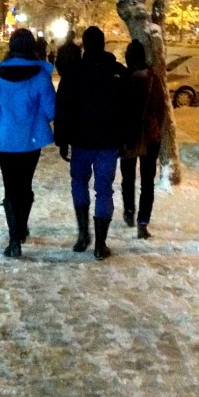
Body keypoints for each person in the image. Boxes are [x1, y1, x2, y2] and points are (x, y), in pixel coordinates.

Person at [0, 28, 56, 258]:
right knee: (25, 184)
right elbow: (51, 110)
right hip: (31, 140)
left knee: (10, 186)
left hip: (4, 141)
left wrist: (3, 122)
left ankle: (14, 238)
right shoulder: (40, 76)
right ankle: (21, 228)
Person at [54, 25, 129, 260]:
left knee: (79, 183)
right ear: (104, 43)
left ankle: (83, 234)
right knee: (104, 189)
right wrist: (125, 140)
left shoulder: (73, 73)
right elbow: (129, 110)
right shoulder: (118, 72)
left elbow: (63, 109)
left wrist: (62, 140)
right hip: (108, 143)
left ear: (84, 45)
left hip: (81, 142)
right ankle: (100, 244)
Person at [119, 39, 167, 239]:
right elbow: (161, 108)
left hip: (129, 135)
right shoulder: (153, 79)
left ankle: (129, 211)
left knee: (127, 176)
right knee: (147, 181)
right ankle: (143, 222)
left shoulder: (123, 77)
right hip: (150, 136)